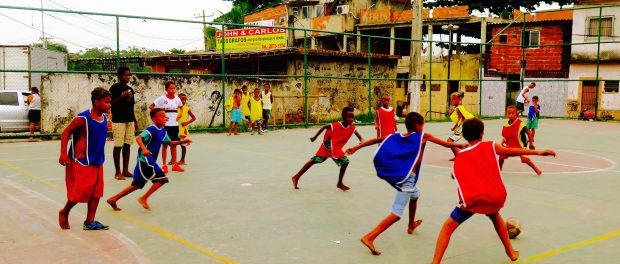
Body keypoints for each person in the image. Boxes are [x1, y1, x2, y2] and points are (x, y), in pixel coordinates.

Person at [432, 118, 556, 264]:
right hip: (495, 196)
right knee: (494, 215)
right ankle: (511, 252)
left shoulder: (460, 156)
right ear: (482, 134)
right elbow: (509, 151)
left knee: (447, 227)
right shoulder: (490, 146)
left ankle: (435, 262)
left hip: (473, 200)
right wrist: (539, 152)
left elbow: (454, 175)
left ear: (464, 135)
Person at [346, 112, 466, 256]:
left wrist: (356, 147)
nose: (423, 127)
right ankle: (369, 237)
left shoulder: (397, 136)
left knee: (416, 194)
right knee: (396, 213)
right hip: (407, 179)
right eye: (422, 124)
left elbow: (375, 140)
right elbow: (446, 144)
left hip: (401, 176)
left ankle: (411, 224)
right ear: (418, 126)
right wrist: (461, 144)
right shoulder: (423, 136)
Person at [107, 108, 191, 211]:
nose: (165, 118)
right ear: (154, 119)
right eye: (162, 116)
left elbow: (169, 143)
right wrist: (144, 149)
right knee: (162, 179)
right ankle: (144, 198)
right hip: (146, 160)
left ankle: (113, 199)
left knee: (136, 185)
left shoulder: (163, 131)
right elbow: (139, 138)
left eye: (165, 116)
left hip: (146, 161)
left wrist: (181, 141)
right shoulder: (152, 129)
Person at [58, 87, 112, 230]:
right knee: (80, 193)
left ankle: (89, 221)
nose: (109, 105)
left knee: (96, 193)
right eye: (107, 102)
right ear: (96, 102)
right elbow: (65, 132)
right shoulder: (83, 118)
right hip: (82, 161)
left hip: (97, 160)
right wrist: (63, 153)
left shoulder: (105, 118)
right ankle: (64, 211)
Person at [291, 107, 363, 191]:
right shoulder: (336, 125)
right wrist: (315, 137)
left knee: (319, 160)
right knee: (321, 160)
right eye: (349, 117)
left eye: (352, 117)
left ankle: (296, 177)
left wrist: (361, 141)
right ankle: (296, 177)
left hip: (335, 148)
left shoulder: (352, 127)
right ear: (343, 116)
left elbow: (360, 137)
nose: (351, 119)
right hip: (328, 146)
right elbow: (324, 127)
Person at [149, 81, 184, 173]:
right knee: (165, 145)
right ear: (166, 89)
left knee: (174, 145)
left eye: (174, 88)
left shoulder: (177, 99)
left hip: (175, 125)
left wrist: (180, 114)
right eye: (170, 88)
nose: (173, 90)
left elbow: (181, 107)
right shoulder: (162, 98)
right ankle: (164, 165)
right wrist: (161, 115)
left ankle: (175, 164)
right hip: (165, 126)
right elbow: (151, 106)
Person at [109, 66, 137, 180]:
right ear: (120, 76)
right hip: (118, 120)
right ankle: (118, 172)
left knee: (127, 145)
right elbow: (111, 103)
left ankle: (125, 170)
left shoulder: (130, 89)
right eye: (125, 75)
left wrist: (136, 122)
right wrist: (122, 97)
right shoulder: (114, 88)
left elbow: (132, 107)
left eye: (129, 75)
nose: (128, 77)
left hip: (129, 120)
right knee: (118, 145)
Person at [499, 105, 542, 176]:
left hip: (520, 146)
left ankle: (536, 169)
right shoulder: (505, 125)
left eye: (513, 113)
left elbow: (529, 132)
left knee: (525, 159)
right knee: (501, 155)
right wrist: (501, 144)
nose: (511, 115)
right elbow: (504, 137)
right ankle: (499, 169)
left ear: (516, 114)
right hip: (510, 145)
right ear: (506, 113)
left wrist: (531, 143)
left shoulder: (520, 124)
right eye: (509, 113)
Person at [446, 92, 474, 159]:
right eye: (452, 99)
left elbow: (461, 119)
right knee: (471, 140)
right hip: (465, 126)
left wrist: (454, 127)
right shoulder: (459, 107)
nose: (453, 101)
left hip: (462, 126)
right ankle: (459, 154)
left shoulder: (459, 108)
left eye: (455, 99)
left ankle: (458, 155)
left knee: (449, 141)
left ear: (460, 100)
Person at [177, 93, 196, 165]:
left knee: (183, 145)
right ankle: (173, 159)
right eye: (182, 99)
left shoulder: (187, 108)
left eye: (185, 100)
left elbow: (194, 118)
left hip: (183, 130)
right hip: (175, 129)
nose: (183, 101)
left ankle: (182, 160)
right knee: (173, 144)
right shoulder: (175, 108)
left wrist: (187, 123)